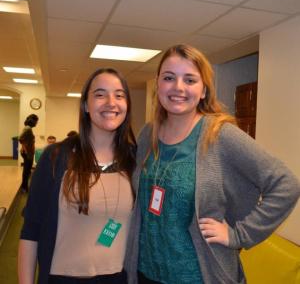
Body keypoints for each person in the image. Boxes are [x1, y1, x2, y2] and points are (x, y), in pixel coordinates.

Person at [124, 44, 300, 284]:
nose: (178, 87)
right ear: (158, 85)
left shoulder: (220, 135)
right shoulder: (148, 134)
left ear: (204, 90)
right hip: (146, 272)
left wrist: (238, 235)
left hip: (198, 276)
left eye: (190, 80)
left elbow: (286, 184)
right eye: (169, 78)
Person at [18, 68, 136, 284]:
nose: (111, 102)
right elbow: (31, 230)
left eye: (119, 95)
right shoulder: (56, 157)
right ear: (85, 105)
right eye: (100, 94)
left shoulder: (134, 160)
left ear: (126, 106)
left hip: (118, 278)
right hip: (64, 278)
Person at [19, 114, 39, 193]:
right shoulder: (28, 128)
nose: (37, 123)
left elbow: (24, 139)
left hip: (29, 152)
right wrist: (24, 148)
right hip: (27, 153)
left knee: (27, 171)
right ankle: (24, 188)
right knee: (26, 171)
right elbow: (21, 138)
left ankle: (25, 187)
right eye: (37, 121)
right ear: (33, 121)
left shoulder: (28, 128)